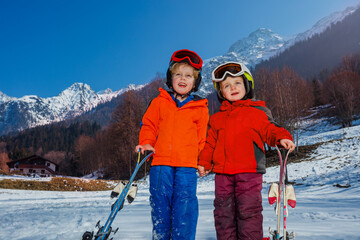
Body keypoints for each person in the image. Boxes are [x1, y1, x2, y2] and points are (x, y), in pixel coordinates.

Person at [197, 61, 295, 240]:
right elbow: (210, 143)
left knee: (248, 212)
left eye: (237, 83)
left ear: (247, 85)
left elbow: (270, 129)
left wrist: (282, 137)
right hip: (223, 175)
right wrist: (204, 162)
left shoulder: (256, 112)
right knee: (223, 214)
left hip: (249, 173)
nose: (232, 87)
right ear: (221, 92)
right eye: (226, 85)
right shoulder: (217, 119)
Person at [135, 49, 209, 240]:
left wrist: (202, 160)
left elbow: (202, 138)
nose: (182, 79)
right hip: (160, 164)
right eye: (178, 74)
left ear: (195, 81)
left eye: (188, 75)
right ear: (170, 77)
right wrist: (146, 143)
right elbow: (149, 125)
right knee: (160, 205)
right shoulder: (160, 102)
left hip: (187, 166)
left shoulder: (200, 108)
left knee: (184, 206)